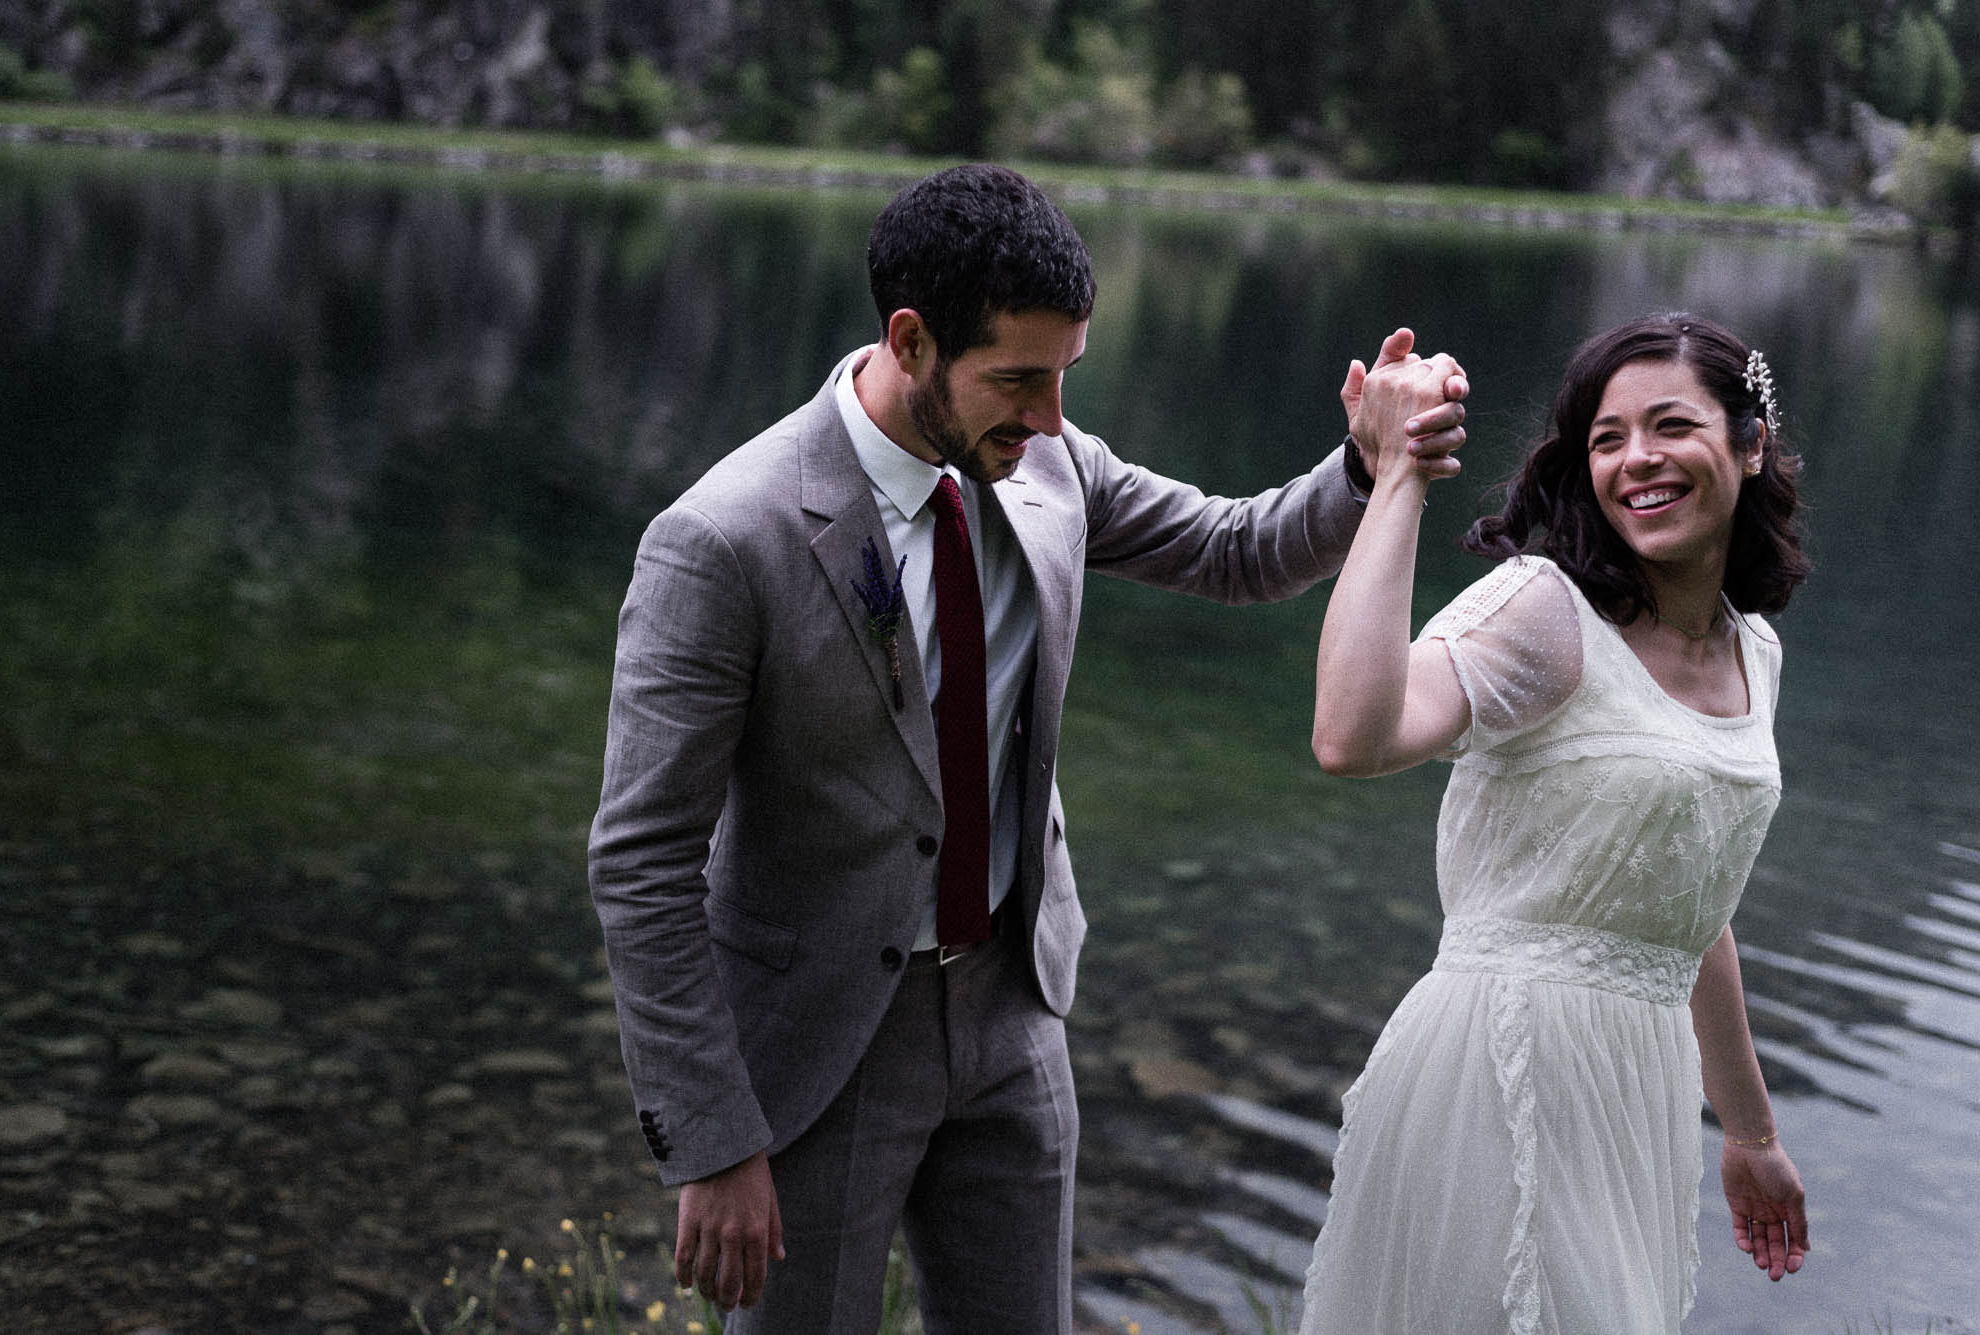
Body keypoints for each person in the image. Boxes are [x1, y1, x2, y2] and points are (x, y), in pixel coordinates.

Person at [585, 162, 1466, 1335]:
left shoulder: (1047, 461)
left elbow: (1237, 549)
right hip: (819, 1048)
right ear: (908, 340)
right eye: (1015, 379)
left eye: (1064, 377)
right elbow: (640, 861)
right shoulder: (720, 539)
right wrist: (709, 1139)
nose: (1049, 417)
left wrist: (1360, 465)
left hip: (1014, 1010)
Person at [1299, 313, 1812, 1334]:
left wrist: (1748, 1133)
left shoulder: (1754, 653)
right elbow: (1352, 736)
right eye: (1606, 439)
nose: (1636, 461)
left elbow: (1681, 900)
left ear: (1749, 444)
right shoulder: (1544, 613)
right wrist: (1398, 477)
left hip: (1632, 1091)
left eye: (1669, 426)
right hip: (1498, 1068)